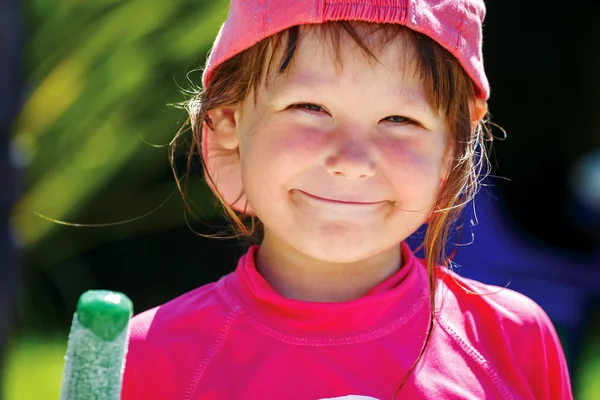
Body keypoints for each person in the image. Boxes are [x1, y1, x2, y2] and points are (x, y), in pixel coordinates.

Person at [122, 0, 573, 398]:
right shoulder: (145, 358)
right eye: (310, 108)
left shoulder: (515, 339)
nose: (352, 161)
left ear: (453, 145)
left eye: (400, 118)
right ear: (228, 123)